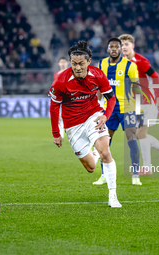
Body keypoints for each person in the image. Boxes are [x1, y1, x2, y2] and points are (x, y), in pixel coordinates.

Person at [49, 41, 122, 208]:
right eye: (74, 64)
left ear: (88, 62)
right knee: (90, 167)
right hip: (73, 125)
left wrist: (105, 116)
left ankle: (113, 196)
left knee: (106, 153)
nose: (78, 67)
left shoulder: (97, 75)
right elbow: (54, 107)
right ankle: (94, 152)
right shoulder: (61, 80)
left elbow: (111, 98)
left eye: (81, 63)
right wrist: (56, 133)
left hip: (93, 116)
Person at [118, 34, 159, 175]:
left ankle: (147, 168)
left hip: (148, 101)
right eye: (122, 44)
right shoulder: (121, 62)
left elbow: (156, 77)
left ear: (133, 45)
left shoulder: (140, 60)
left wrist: (158, 97)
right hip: (135, 103)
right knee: (139, 135)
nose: (124, 47)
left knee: (141, 133)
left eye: (127, 44)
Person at [93, 37, 142, 186]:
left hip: (127, 107)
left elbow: (137, 88)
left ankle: (135, 174)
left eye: (116, 47)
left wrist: (139, 110)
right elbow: (99, 87)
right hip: (109, 108)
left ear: (121, 49)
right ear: (107, 49)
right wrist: (97, 107)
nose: (114, 49)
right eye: (111, 47)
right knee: (105, 141)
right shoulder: (101, 64)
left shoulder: (130, 66)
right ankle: (104, 175)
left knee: (131, 137)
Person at [53, 57, 70, 139]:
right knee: (60, 117)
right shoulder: (56, 74)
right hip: (60, 98)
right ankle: (61, 135)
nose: (62, 64)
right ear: (59, 64)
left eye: (64, 62)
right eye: (61, 62)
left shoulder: (70, 72)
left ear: (67, 63)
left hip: (69, 98)